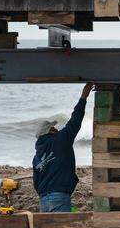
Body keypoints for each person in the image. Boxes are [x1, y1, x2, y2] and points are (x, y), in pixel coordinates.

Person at [33, 83, 94, 212]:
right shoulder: (60, 140)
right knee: (62, 225)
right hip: (59, 197)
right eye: (53, 127)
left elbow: (36, 182)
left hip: (43, 200)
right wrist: (83, 97)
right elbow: (75, 121)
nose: (56, 129)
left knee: (49, 226)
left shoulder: (37, 156)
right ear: (50, 131)